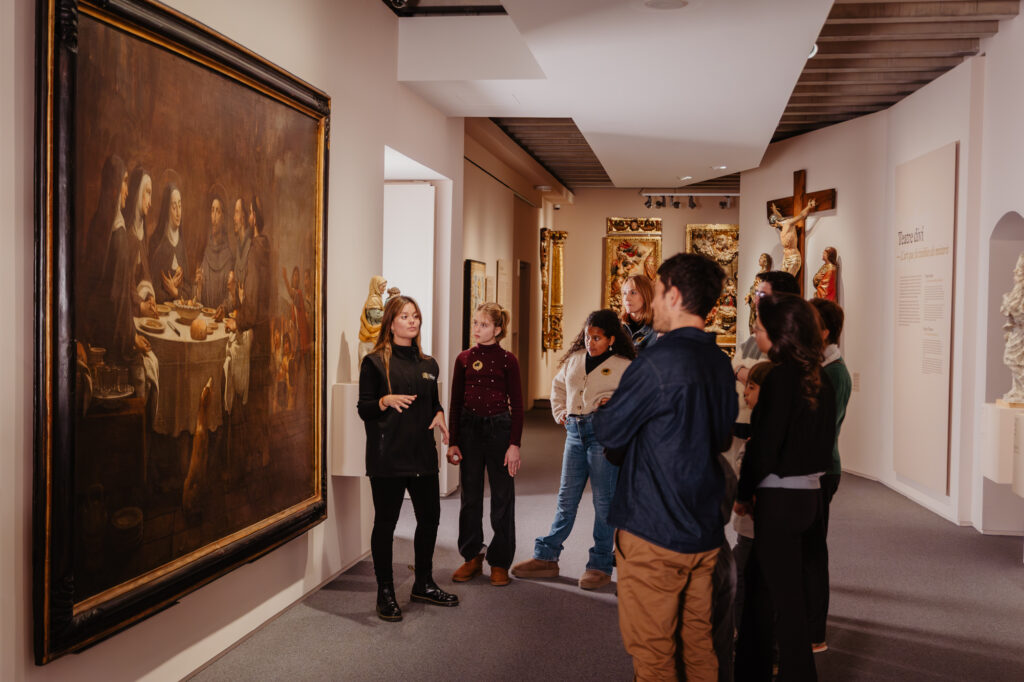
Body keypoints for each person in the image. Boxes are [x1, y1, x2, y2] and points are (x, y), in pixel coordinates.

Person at [593, 253, 737, 681]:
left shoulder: (655, 364)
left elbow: (610, 433)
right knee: (698, 647)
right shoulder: (719, 362)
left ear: (672, 296)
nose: (652, 302)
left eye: (656, 293)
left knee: (653, 656)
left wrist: (612, 409)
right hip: (705, 530)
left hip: (655, 531)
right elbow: (722, 438)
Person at [734, 294, 836, 682]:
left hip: (779, 498)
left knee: (777, 600)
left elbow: (764, 444)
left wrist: (744, 494)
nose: (755, 334)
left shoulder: (778, 377)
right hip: (807, 496)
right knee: (772, 592)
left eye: (759, 329)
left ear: (779, 336)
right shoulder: (820, 376)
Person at [511, 309, 634, 590]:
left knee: (604, 504)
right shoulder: (576, 360)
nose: (591, 342)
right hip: (575, 435)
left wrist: (613, 403)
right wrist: (559, 411)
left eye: (598, 338)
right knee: (566, 499)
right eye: (588, 336)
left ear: (611, 339)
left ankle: (600, 565)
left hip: (604, 436)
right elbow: (557, 387)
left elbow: (635, 399)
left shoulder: (625, 365)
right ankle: (546, 557)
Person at [357, 295, 458, 622]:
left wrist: (441, 414)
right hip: (387, 457)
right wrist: (385, 400)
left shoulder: (429, 364)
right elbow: (365, 408)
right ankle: (385, 591)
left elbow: (433, 402)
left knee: (430, 519)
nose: (412, 321)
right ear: (391, 321)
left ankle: (424, 582)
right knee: (385, 524)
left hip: (421, 456)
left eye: (415, 316)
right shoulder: (374, 363)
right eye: (405, 316)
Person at [448, 302, 524, 587]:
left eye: (483, 324)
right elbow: (455, 403)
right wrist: (453, 441)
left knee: (503, 498)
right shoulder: (464, 359)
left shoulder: (508, 361)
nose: (477, 329)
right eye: (475, 323)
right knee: (470, 497)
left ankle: (500, 561)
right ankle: (472, 555)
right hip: (469, 430)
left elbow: (517, 405)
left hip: (499, 430)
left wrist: (514, 444)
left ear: (497, 328)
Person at [807, 297, 852, 651]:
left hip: (821, 471)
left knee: (812, 553)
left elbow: (819, 429)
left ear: (824, 331)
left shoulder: (834, 372)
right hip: (816, 469)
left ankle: (814, 634)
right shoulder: (822, 366)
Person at [729, 361, 773, 634]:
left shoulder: (767, 433)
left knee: (741, 576)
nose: (745, 392)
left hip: (757, 529)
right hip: (750, 531)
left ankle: (745, 636)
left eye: (752, 387)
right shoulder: (760, 425)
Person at [733, 270, 799, 389]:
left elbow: (769, 381)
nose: (756, 300)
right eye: (756, 294)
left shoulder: (790, 340)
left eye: (762, 295)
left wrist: (739, 371)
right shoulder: (753, 338)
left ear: (780, 299)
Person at [149, 182, 193, 304]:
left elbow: (189, 291)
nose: (178, 213)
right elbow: (152, 290)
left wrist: (175, 292)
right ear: (166, 210)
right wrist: (170, 292)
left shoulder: (181, 244)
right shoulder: (156, 243)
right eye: (174, 207)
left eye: (180, 206)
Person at [197, 187, 234, 310]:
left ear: (223, 218)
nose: (214, 217)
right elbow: (199, 296)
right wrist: (199, 285)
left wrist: (223, 308)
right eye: (212, 211)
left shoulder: (228, 256)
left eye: (218, 211)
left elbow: (231, 298)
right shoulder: (207, 252)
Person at [769, 198, 817, 276]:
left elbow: (801, 215)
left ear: (776, 222)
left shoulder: (789, 223)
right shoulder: (781, 226)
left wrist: (808, 207)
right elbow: (779, 217)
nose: (774, 227)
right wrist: (774, 210)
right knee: (781, 281)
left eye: (773, 225)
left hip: (793, 257)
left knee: (788, 282)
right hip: (785, 258)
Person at [619, 274, 657, 351]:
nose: (626, 298)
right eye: (625, 293)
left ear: (646, 296)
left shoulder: (658, 331)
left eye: (633, 293)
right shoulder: (617, 326)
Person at [358, 276, 387, 364]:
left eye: (385, 286)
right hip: (373, 332)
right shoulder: (373, 299)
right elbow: (376, 315)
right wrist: (388, 313)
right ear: (376, 286)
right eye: (383, 286)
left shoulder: (377, 298)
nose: (384, 289)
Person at [744, 252, 772, 335]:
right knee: (752, 324)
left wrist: (755, 291)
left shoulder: (766, 275)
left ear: (765, 261)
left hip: (759, 301)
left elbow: (762, 289)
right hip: (754, 300)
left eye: (761, 258)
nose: (759, 259)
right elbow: (754, 287)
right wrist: (749, 294)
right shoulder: (760, 273)